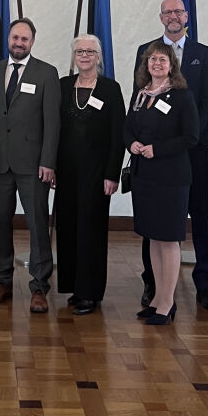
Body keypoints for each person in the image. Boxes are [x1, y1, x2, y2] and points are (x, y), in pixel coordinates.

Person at [134, 0, 208, 313]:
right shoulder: (148, 51)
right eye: (168, 11)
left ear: (186, 16)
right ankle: (153, 285)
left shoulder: (202, 53)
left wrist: (189, 133)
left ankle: (205, 285)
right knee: (153, 219)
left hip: (193, 149)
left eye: (178, 11)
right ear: (161, 17)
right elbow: (140, 95)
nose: (173, 16)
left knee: (200, 215)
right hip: (155, 154)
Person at [0, 18, 60, 314]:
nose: (19, 43)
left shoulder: (47, 73)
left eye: (24, 39)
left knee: (37, 224)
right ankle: (3, 281)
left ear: (32, 42)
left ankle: (39, 286)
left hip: (33, 166)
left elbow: (52, 123)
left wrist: (49, 161)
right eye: (14, 38)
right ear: (7, 39)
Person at [125, 41, 199, 326]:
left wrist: (158, 148)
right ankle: (157, 298)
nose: (156, 64)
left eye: (163, 60)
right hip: (144, 176)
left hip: (171, 177)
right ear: (146, 64)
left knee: (168, 240)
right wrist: (130, 142)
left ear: (172, 66)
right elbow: (127, 127)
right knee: (153, 238)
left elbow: (191, 137)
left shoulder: (182, 97)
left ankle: (168, 303)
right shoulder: (140, 94)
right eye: (152, 59)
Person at [55, 34, 125, 315]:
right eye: (79, 51)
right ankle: (73, 286)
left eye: (90, 51)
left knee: (91, 230)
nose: (84, 55)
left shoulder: (110, 89)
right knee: (69, 227)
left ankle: (90, 291)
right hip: (66, 171)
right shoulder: (62, 86)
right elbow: (52, 130)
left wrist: (112, 174)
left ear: (99, 57)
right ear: (74, 56)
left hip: (97, 173)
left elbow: (118, 134)